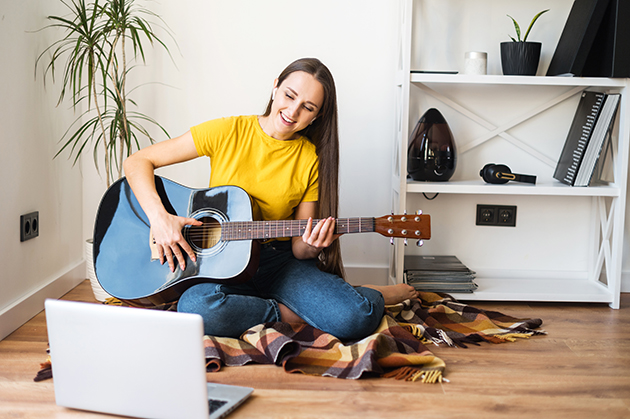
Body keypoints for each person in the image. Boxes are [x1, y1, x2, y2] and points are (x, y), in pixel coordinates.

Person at [123, 58, 418, 341]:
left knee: (356, 317)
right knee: (196, 308)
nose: (293, 111)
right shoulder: (227, 131)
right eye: (289, 95)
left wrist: (313, 244)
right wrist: (160, 219)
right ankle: (291, 312)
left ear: (317, 116)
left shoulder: (309, 158)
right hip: (221, 262)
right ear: (275, 86)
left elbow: (300, 250)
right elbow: (138, 161)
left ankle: (365, 295)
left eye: (308, 107)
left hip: (278, 262)